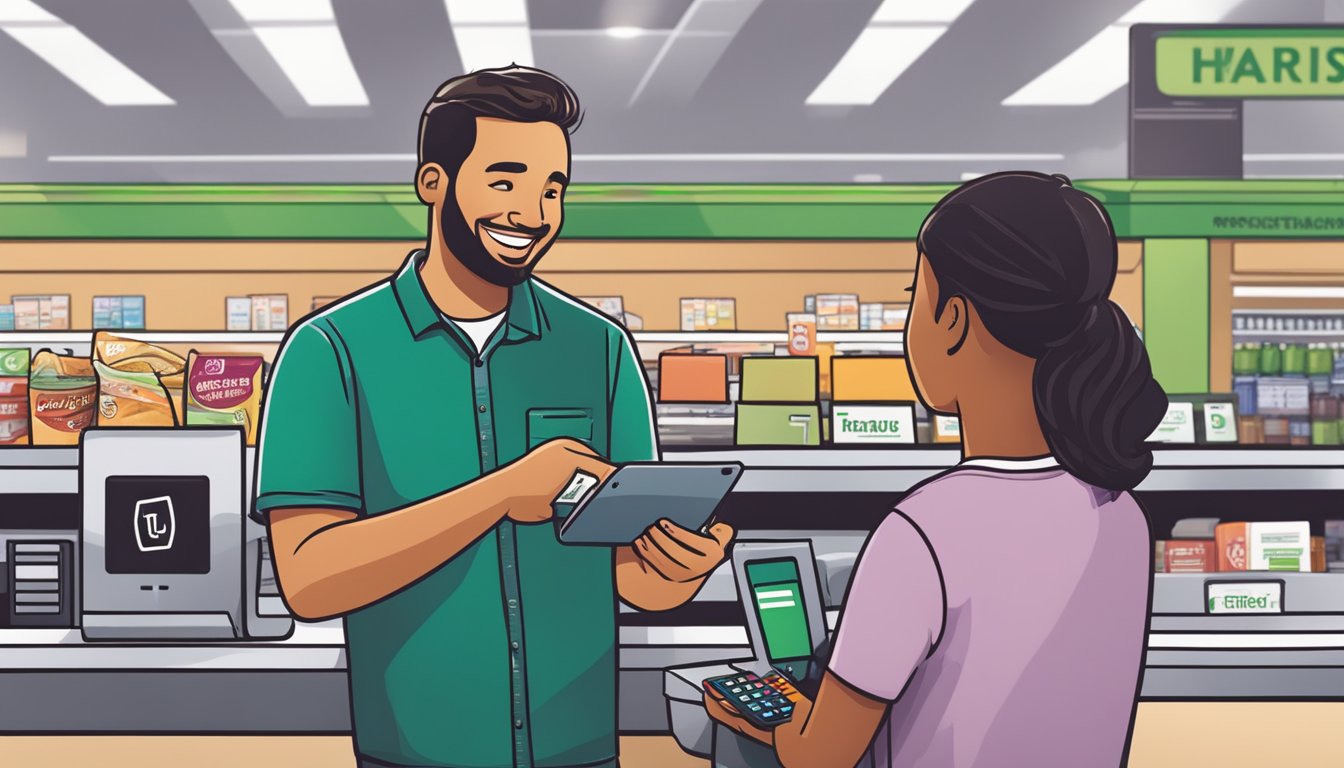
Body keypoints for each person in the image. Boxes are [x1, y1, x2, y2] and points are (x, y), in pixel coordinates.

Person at [254, 66, 734, 768]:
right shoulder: (329, 353)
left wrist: (677, 571)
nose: (534, 213)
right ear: (433, 183)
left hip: (580, 748)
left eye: (552, 189)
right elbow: (309, 579)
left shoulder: (599, 349)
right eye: (505, 180)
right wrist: (503, 494)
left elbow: (632, 578)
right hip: (416, 751)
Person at [706, 171, 1167, 767]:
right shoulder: (1122, 514)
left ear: (952, 318)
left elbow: (821, 755)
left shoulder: (924, 529)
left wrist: (764, 715)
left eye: (912, 295)